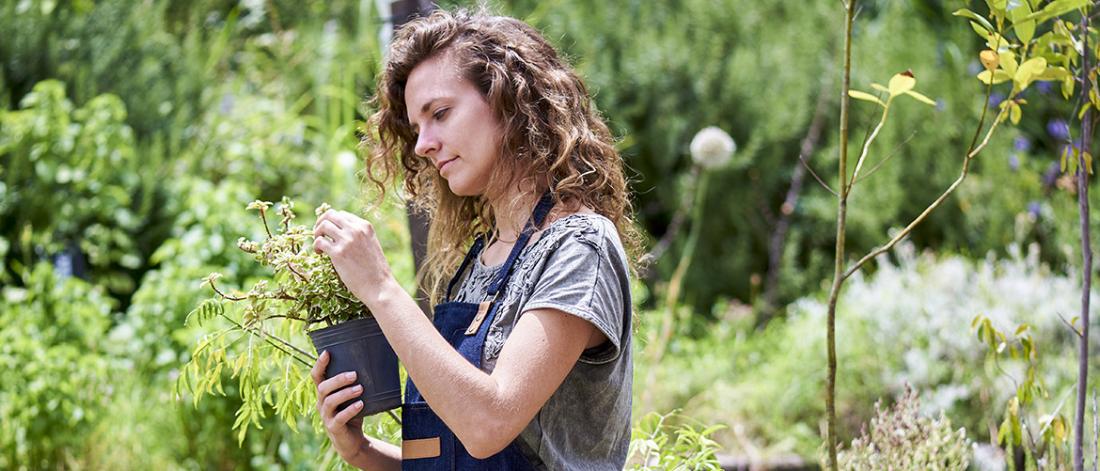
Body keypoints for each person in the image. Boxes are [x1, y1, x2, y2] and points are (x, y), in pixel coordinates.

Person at [309, 8, 641, 470]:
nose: (422, 144)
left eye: (440, 114)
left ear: (509, 102)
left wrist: (381, 288)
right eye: (416, 127)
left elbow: (488, 424)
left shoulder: (580, 247)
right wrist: (360, 450)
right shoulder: (478, 261)